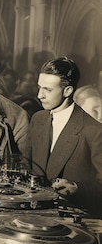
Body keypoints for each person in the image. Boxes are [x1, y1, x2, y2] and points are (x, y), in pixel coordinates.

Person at [31, 57, 102, 216]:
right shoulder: (37, 119)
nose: (39, 95)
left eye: (47, 90)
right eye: (39, 87)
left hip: (72, 219)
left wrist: (77, 188)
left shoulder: (94, 131)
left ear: (68, 91)